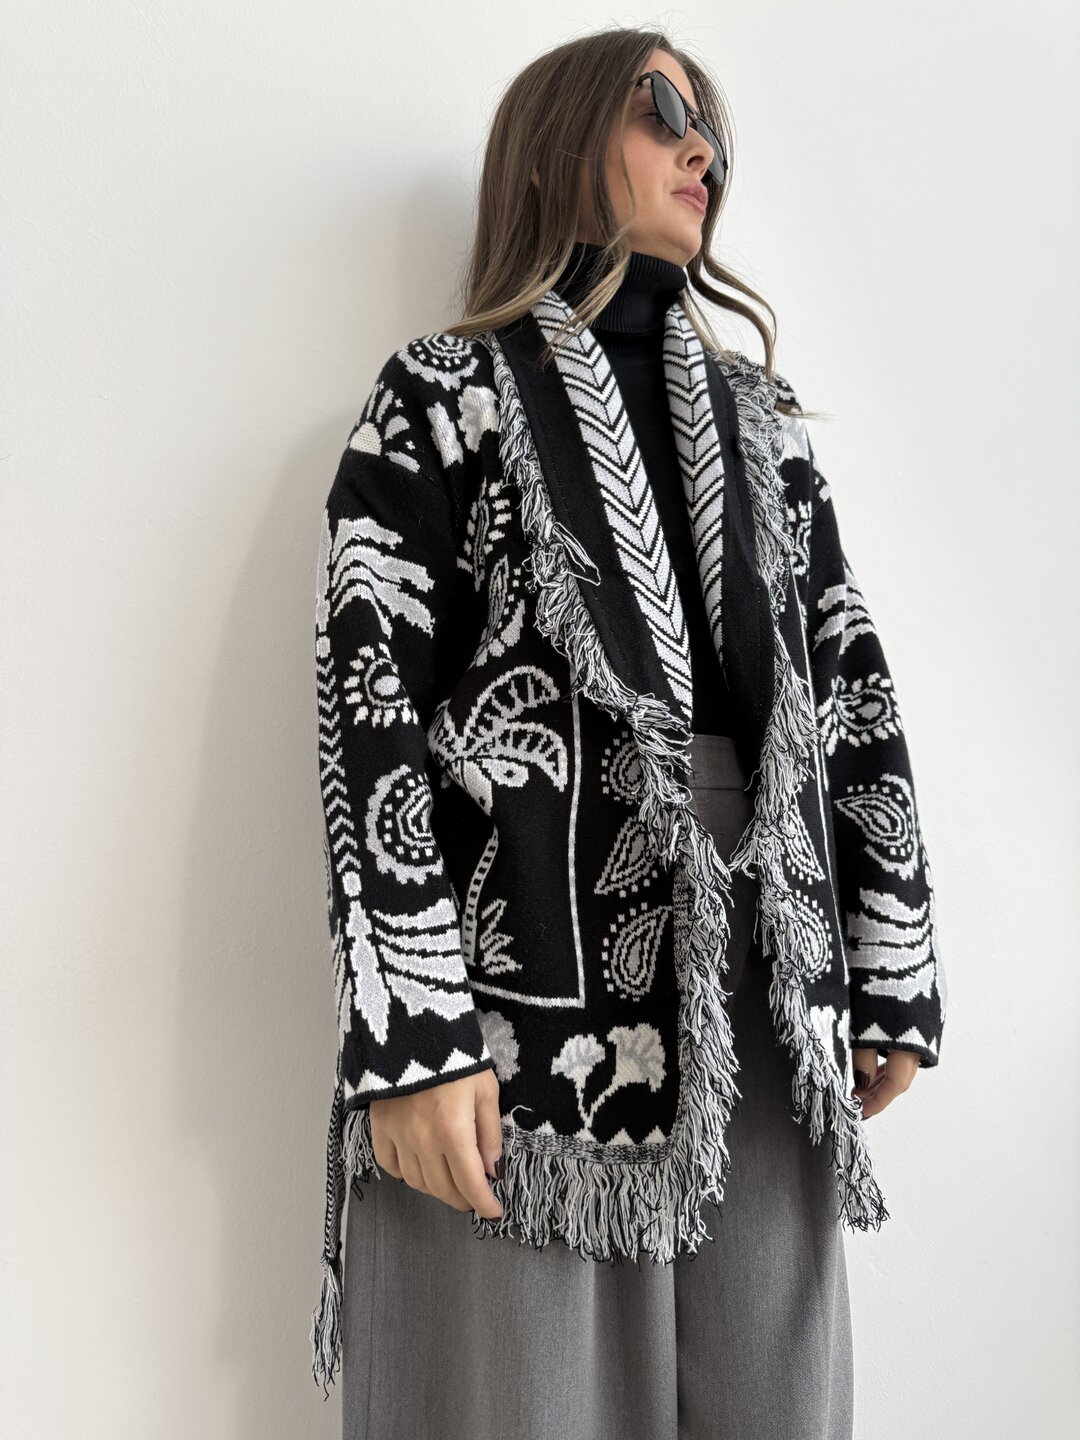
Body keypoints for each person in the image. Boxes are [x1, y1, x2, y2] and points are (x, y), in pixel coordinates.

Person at [311, 25, 947, 1440]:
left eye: (710, 118)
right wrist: (413, 1036)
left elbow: (847, 675)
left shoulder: (763, 423)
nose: (699, 143)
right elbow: (370, 710)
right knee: (516, 1396)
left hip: (767, 966)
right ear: (554, 148)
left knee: (776, 1400)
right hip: (520, 967)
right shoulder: (442, 395)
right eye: (662, 108)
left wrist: (891, 953)